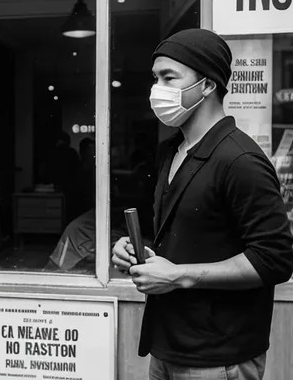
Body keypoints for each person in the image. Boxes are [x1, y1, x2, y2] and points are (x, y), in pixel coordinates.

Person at [112, 28, 293, 380]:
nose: (156, 89)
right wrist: (135, 252)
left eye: (169, 77)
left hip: (218, 358)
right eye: (155, 78)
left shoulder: (240, 159)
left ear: (208, 85)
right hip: (166, 346)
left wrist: (180, 276)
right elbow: (181, 236)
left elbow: (276, 259)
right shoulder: (171, 152)